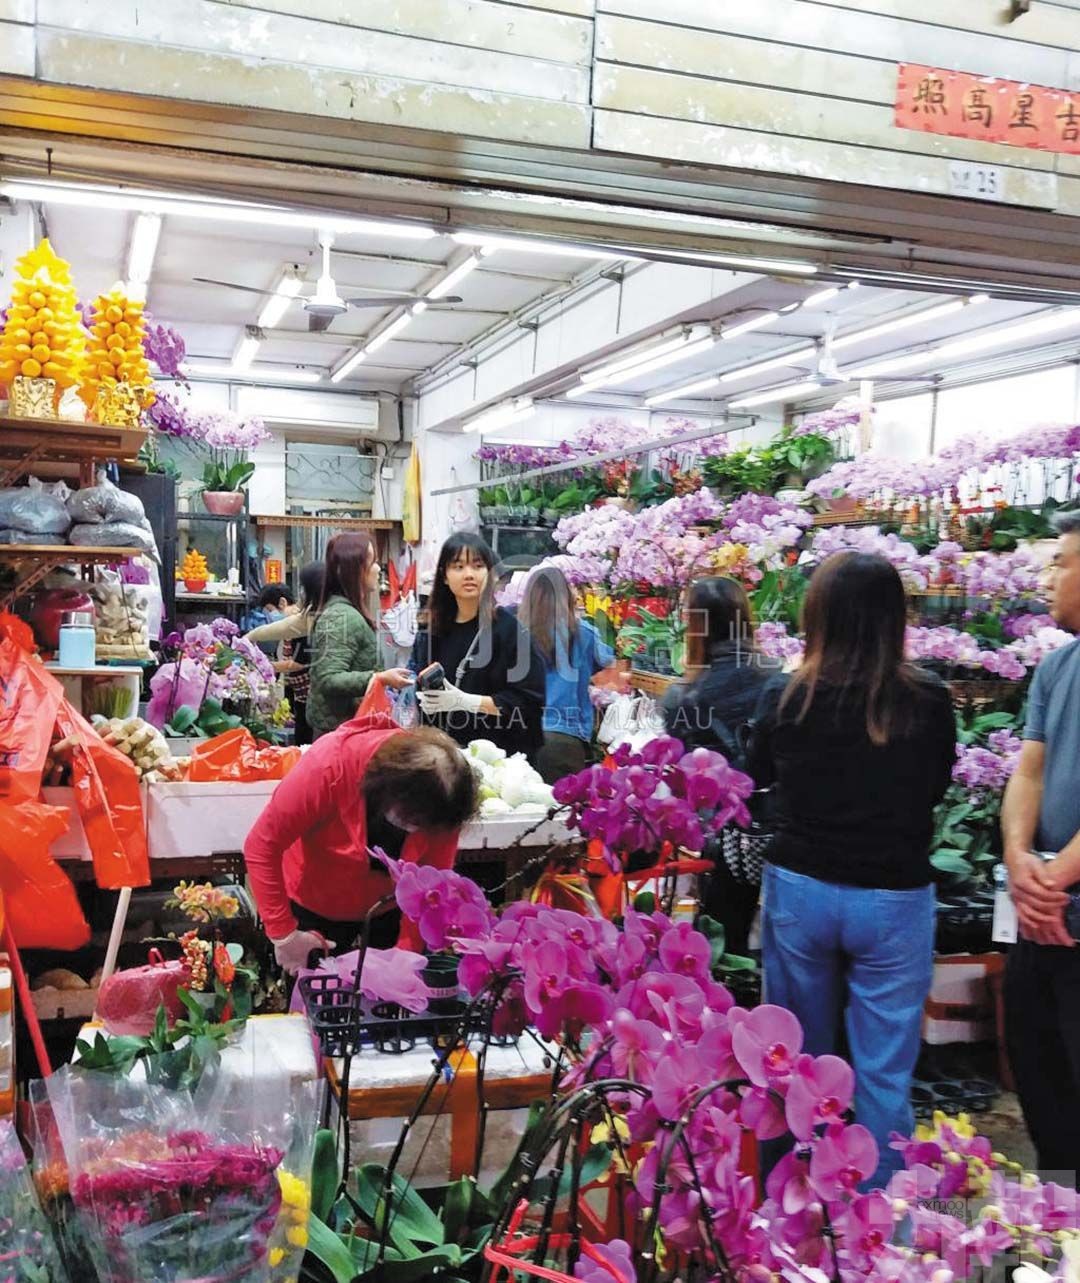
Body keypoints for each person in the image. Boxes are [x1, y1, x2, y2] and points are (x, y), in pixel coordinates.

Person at [748, 552, 956, 1187]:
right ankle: (886, 1233)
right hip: (893, 899)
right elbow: (934, 789)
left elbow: (755, 780)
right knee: (884, 1074)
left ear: (817, 614)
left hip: (802, 889)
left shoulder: (787, 696)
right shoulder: (928, 700)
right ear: (896, 619)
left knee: (792, 1062)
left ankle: (782, 1223)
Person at [245, 715, 478, 970]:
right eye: (412, 820)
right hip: (314, 902)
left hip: (386, 909)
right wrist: (284, 935)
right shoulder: (330, 766)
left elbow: (430, 885)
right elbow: (262, 846)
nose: (419, 830)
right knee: (313, 995)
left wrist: (405, 955)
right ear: (387, 789)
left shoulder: (446, 802)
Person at [1002, 512, 1080, 1178]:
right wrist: (1019, 857)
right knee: (1040, 1067)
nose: (1049, 576)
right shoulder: (1058, 668)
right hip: (1041, 911)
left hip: (1057, 901)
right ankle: (1062, 1226)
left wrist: (1053, 876)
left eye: (1061, 561)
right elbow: (1028, 769)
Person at [663, 576, 776, 954]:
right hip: (773, 830)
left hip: (716, 837)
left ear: (695, 627)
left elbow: (680, 773)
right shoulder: (780, 683)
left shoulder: (683, 695)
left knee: (724, 940)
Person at [411, 532, 544, 759]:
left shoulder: (511, 631)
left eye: (478, 565)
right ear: (444, 576)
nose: (469, 575)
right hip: (444, 760)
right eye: (459, 566)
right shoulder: (431, 632)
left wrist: (467, 701)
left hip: (500, 762)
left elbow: (528, 702)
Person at [308, 532, 412, 738]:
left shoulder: (343, 611)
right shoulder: (342, 616)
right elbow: (329, 678)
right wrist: (380, 678)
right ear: (354, 570)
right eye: (372, 562)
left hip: (344, 729)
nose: (377, 569)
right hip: (341, 734)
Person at [518, 564, 616, 783]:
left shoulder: (515, 634)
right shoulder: (583, 634)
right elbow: (608, 663)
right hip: (565, 739)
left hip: (521, 736)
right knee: (562, 812)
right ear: (566, 596)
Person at [245, 562, 324, 745]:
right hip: (301, 695)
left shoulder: (307, 622)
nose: (270, 617)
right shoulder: (297, 622)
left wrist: (266, 666)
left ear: (282, 603)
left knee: (305, 743)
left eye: (270, 611)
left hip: (309, 696)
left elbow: (301, 662)